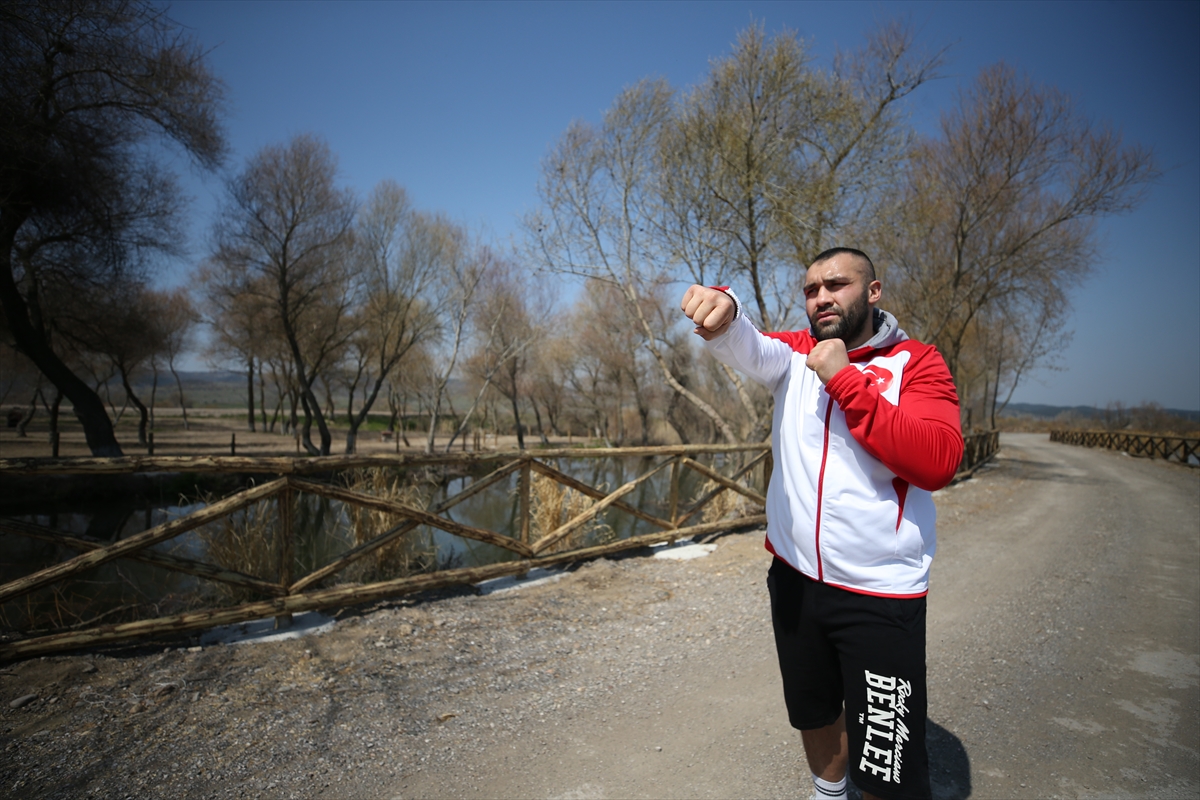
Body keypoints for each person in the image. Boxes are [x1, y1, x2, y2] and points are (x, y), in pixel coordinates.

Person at [680, 248, 963, 800]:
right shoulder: (795, 354)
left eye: (837, 285)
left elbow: (937, 461)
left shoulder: (918, 362)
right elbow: (746, 341)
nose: (822, 297)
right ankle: (829, 794)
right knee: (813, 710)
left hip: (880, 592)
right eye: (811, 290)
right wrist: (726, 308)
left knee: (887, 762)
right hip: (795, 579)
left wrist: (846, 380)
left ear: (873, 292)